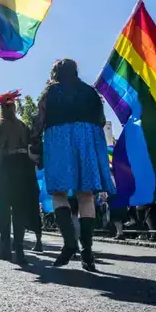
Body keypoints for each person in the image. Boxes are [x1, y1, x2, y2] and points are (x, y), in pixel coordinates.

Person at [31, 59, 115, 271]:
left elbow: (38, 121)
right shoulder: (90, 92)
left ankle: (69, 243)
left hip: (58, 140)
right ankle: (87, 252)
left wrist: (33, 144)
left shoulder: (50, 93)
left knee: (58, 193)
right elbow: (100, 119)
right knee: (85, 194)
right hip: (85, 139)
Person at [0, 91, 40, 264]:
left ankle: (6, 248)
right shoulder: (22, 125)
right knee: (18, 211)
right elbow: (31, 144)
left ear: (1, 108)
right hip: (21, 169)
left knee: (4, 211)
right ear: (14, 108)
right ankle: (20, 249)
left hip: (3, 169)